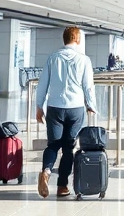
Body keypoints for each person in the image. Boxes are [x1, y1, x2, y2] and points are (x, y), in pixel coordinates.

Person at [35, 26, 96, 199]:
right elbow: (88, 86)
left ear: (64, 39)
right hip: (75, 108)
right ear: (77, 39)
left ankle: (46, 171)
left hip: (54, 107)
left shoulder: (53, 58)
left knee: (53, 145)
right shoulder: (84, 60)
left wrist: (39, 106)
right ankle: (62, 186)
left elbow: (43, 85)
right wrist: (91, 105)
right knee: (68, 148)